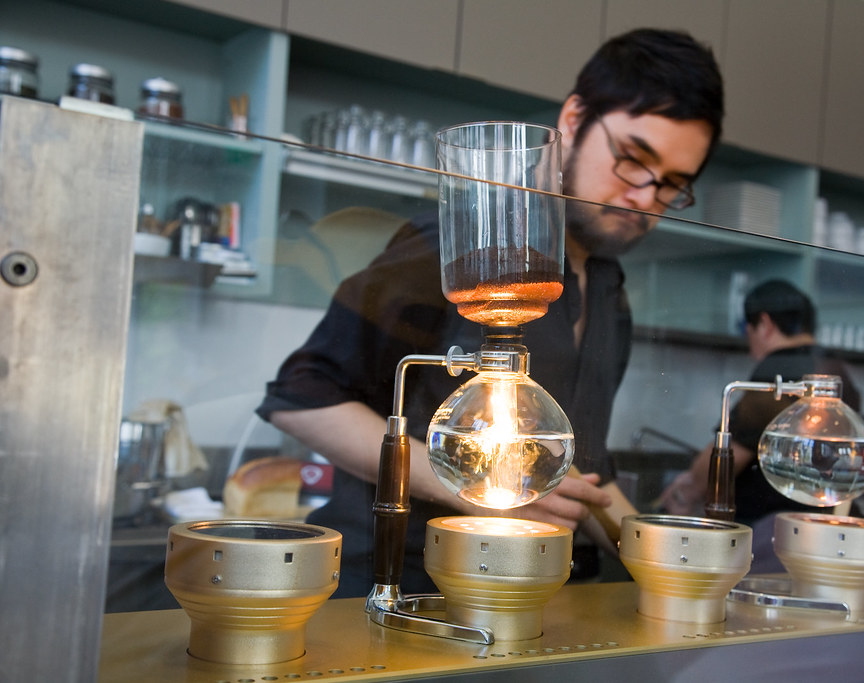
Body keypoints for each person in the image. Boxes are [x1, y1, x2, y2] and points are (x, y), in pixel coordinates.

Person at [256, 28, 725, 597]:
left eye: (674, 185)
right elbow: (302, 398)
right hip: (406, 589)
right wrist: (472, 490)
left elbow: (580, 480)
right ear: (574, 119)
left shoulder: (607, 285)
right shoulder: (461, 252)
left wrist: (678, 569)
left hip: (533, 595)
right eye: (632, 160)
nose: (646, 198)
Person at [659, 279, 863, 529]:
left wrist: (686, 491)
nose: (749, 345)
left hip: (770, 528)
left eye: (749, 330)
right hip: (820, 523)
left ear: (765, 324)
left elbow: (733, 451)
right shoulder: (834, 368)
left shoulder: (780, 368)